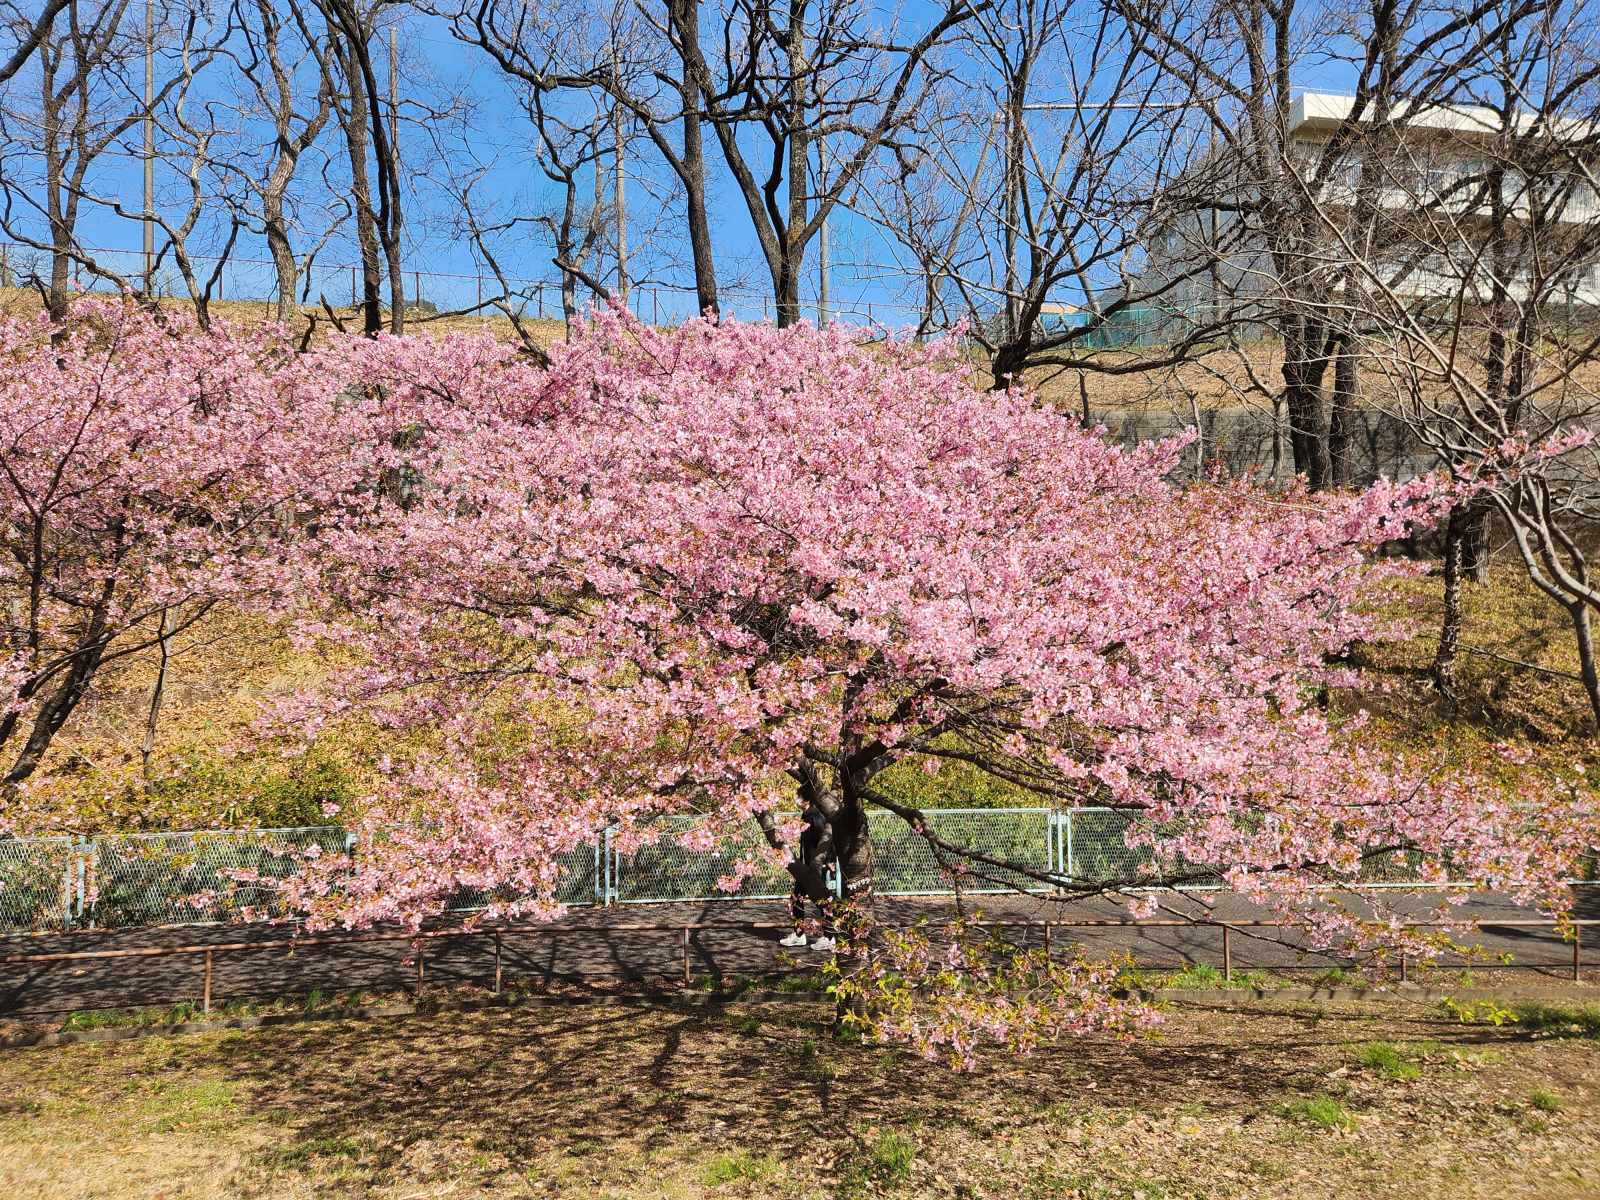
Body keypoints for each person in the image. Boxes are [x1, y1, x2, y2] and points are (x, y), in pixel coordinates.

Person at [779, 802, 837, 951]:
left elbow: (827, 838)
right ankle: (799, 935)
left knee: (822, 901)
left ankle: (829, 937)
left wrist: (829, 860)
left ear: (807, 799)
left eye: (799, 796)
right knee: (796, 897)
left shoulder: (815, 815)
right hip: (806, 867)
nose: (795, 799)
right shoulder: (807, 815)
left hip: (816, 867)